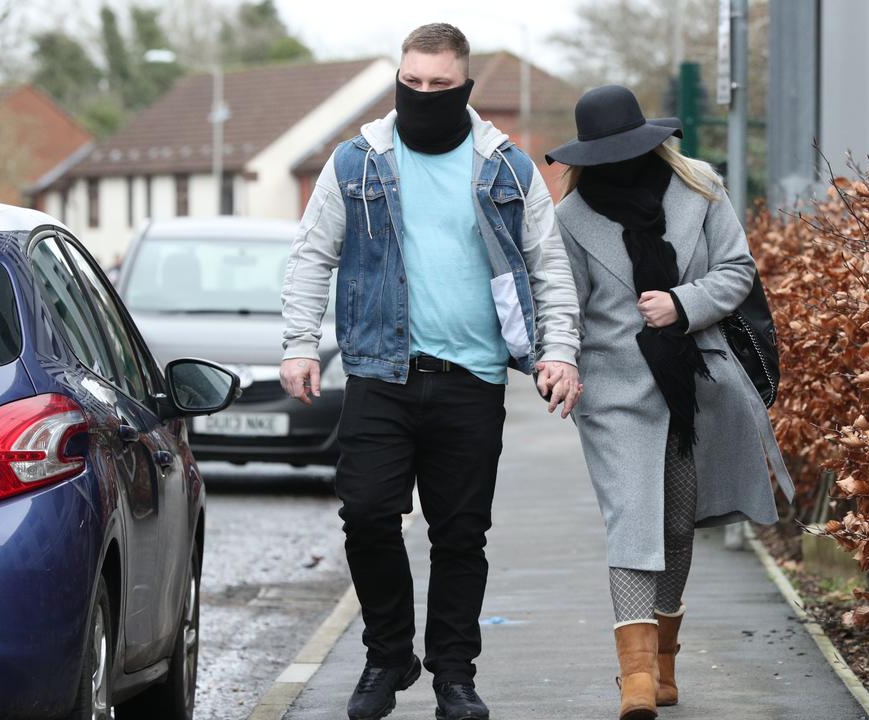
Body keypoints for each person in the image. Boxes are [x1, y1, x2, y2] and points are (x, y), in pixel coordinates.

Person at [279, 23, 581, 720]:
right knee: (368, 516)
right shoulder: (356, 162)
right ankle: (389, 655)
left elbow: (549, 268)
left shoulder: (507, 168)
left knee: (460, 535)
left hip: (471, 380)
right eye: (410, 82)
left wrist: (558, 351)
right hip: (381, 373)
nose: (422, 94)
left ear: (464, 86)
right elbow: (310, 256)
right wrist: (299, 343)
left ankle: (453, 676)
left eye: (438, 85)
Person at [547, 85, 795, 720]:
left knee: (678, 523)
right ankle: (634, 681)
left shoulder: (701, 188)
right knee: (634, 517)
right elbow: (565, 308)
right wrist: (560, 364)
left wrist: (682, 304)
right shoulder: (571, 219)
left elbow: (739, 271)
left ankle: (662, 666)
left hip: (695, 379)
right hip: (612, 390)